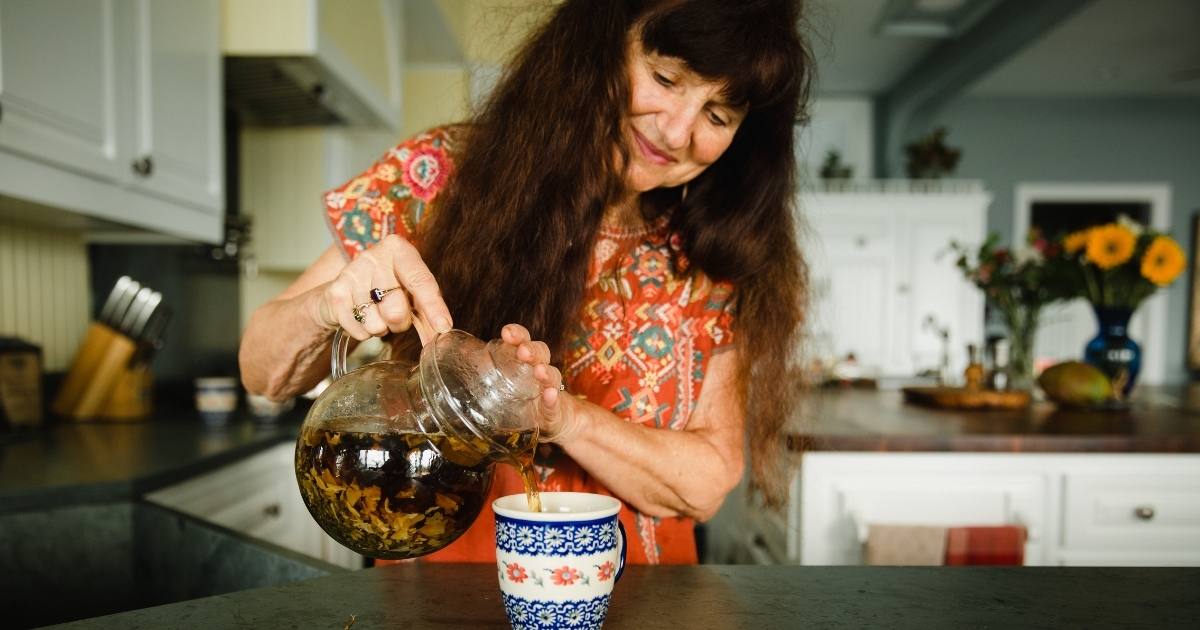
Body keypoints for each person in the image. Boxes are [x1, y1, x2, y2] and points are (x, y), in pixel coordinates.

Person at [240, 0, 812, 565]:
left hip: (643, 605)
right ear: (599, 47)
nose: (678, 130)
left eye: (719, 116)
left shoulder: (714, 254)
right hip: (437, 600)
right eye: (665, 78)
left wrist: (563, 415)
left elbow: (707, 483)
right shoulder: (440, 174)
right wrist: (327, 307)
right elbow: (262, 373)